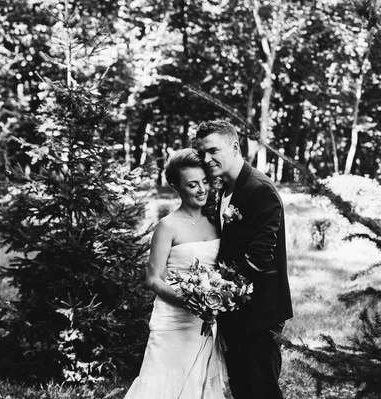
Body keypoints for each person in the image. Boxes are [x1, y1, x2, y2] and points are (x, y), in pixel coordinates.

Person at [196, 119, 293, 399]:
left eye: (213, 150)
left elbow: (260, 255)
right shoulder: (225, 190)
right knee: (241, 386)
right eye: (202, 152)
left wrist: (215, 289)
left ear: (235, 146)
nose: (207, 158)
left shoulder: (259, 188)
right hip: (234, 308)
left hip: (258, 309)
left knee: (261, 387)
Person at [124, 148, 226, 399]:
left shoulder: (217, 223)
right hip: (174, 319)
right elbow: (153, 278)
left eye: (204, 182)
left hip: (205, 321)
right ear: (176, 187)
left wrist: (216, 300)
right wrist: (189, 301)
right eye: (192, 185)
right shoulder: (168, 226)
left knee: (199, 381)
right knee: (162, 382)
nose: (202, 189)